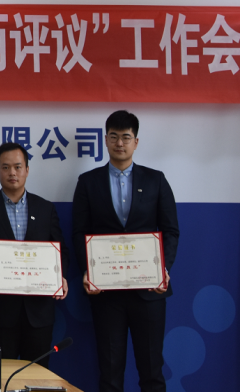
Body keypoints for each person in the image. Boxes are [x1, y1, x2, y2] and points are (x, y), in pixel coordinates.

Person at [72, 110, 178, 392]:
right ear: (105, 140)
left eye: (126, 137)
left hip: (149, 291)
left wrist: (163, 269)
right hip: (106, 292)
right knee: (109, 373)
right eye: (114, 136)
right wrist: (88, 271)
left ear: (136, 142)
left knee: (152, 371)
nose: (120, 143)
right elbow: (79, 232)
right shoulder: (88, 182)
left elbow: (171, 230)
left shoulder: (156, 180)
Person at [0, 142, 69, 368]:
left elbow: (60, 251)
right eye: (5, 167)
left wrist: (60, 277)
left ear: (27, 170)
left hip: (39, 313)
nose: (12, 172)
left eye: (17, 167)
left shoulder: (45, 209)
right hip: (1, 312)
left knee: (37, 376)